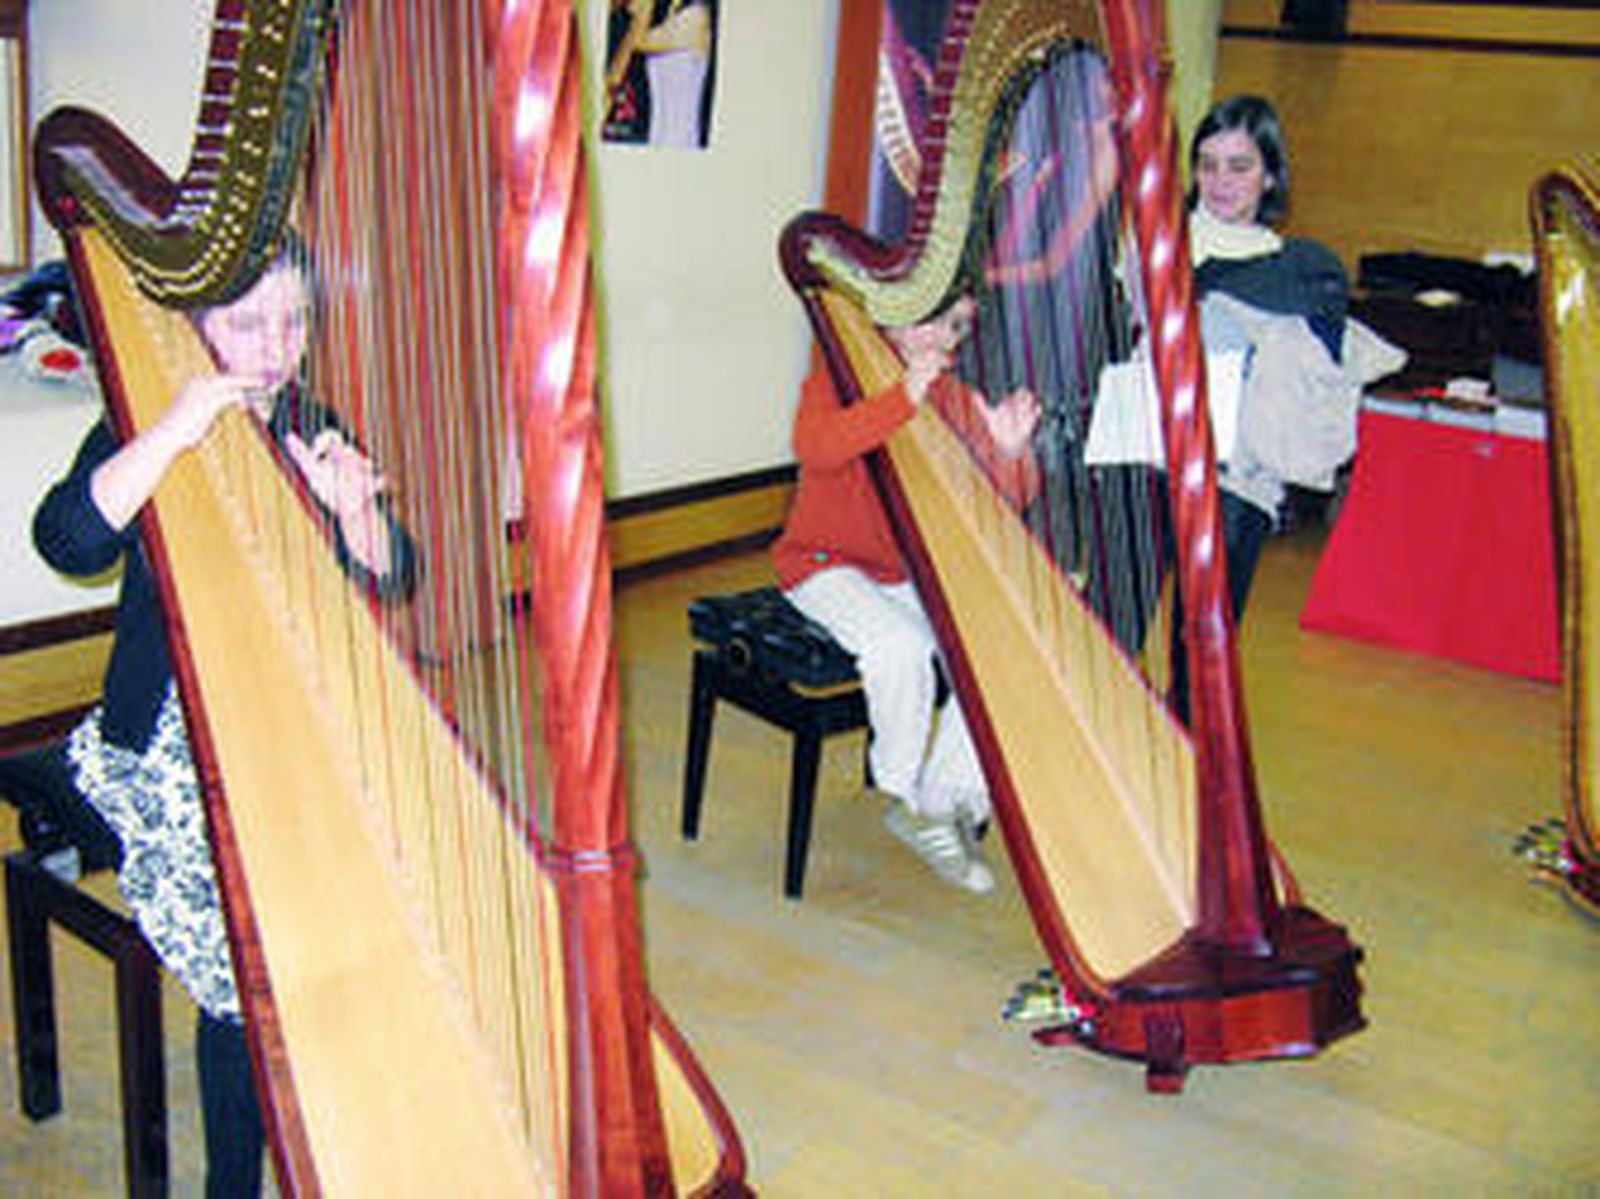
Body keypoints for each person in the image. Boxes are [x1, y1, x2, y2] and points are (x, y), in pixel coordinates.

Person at [30, 237, 413, 1197]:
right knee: (246, 968)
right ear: (195, 325)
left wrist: (354, 513)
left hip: (280, 729)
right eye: (249, 323)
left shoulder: (305, 418)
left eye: (295, 321)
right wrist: (174, 429)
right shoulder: (140, 417)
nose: (276, 346)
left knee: (376, 879)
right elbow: (66, 538)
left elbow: (396, 568)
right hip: (156, 741)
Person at [772, 295, 1041, 894]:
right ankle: (903, 792)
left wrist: (1011, 451)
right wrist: (903, 397)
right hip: (822, 564)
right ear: (890, 316)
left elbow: (1005, 501)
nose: (942, 336)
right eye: (931, 318)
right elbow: (816, 448)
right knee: (901, 646)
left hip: (905, 573)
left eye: (954, 326)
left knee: (991, 650)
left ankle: (949, 797)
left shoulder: (952, 397)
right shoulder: (835, 381)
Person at [603, 0, 717, 148]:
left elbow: (638, 41)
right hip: (656, 138)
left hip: (681, 139)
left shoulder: (697, 16)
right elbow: (615, 76)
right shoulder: (667, 18)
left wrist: (644, 8)